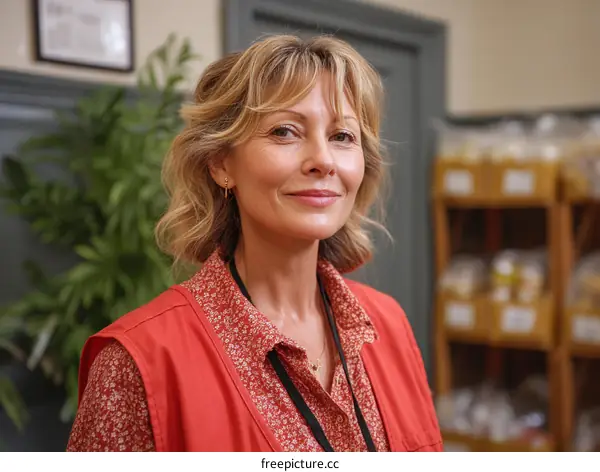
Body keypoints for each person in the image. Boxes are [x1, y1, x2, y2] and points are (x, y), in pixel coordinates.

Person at [66, 34, 442, 452]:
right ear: (221, 164)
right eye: (285, 131)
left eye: (342, 136)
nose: (323, 159)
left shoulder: (387, 325)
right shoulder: (136, 364)